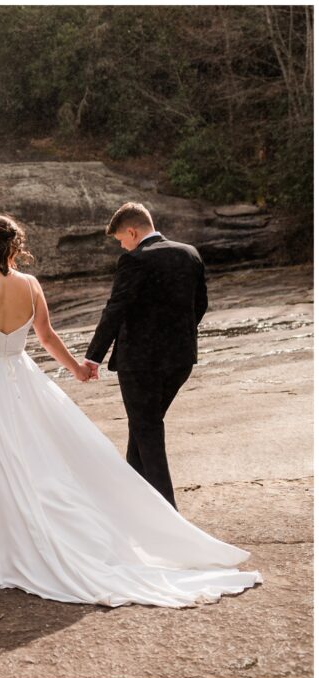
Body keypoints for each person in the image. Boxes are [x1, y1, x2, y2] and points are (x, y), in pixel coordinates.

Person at [0, 214, 261, 608]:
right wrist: (77, 368)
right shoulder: (31, 285)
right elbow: (46, 337)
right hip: (21, 377)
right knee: (29, 456)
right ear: (16, 246)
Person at [80, 202, 206, 511]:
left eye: (121, 239)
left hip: (140, 363)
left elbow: (115, 309)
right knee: (143, 427)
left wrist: (92, 358)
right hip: (180, 360)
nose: (121, 246)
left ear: (132, 232)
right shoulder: (189, 253)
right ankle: (133, 507)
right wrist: (177, 337)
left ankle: (168, 516)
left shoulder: (134, 261)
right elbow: (199, 305)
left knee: (147, 431)